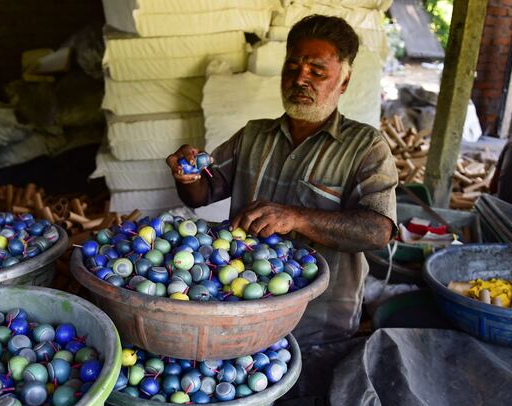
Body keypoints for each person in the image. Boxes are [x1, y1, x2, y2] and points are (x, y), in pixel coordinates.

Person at [165, 15, 398, 344]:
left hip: (318, 319)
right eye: (292, 67)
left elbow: (378, 230)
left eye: (317, 71)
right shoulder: (254, 135)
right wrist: (187, 175)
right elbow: (202, 194)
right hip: (243, 304)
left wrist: (296, 217)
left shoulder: (365, 146)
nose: (300, 78)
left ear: (344, 81)